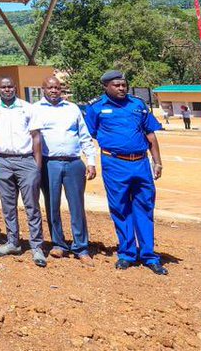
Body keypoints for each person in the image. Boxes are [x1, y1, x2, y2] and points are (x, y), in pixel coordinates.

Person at [85, 70, 167, 275]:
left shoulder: (138, 105)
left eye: (124, 84)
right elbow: (91, 134)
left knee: (145, 208)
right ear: (106, 87)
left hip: (140, 164)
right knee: (120, 209)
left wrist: (157, 162)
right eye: (117, 85)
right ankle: (127, 253)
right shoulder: (96, 108)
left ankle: (149, 255)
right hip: (114, 164)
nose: (122, 88)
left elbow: (151, 135)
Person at [0, 77, 47, 267]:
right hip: (3, 161)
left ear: (15, 88)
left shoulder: (27, 108)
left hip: (26, 161)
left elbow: (36, 137)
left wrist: (37, 166)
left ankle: (37, 247)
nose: (7, 89)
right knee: (8, 205)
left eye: (10, 86)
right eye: (3, 87)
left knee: (32, 206)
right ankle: (13, 242)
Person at [33, 76, 97, 261]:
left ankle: (81, 247)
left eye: (57, 88)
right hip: (49, 163)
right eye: (50, 87)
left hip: (74, 163)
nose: (54, 91)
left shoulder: (72, 108)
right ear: (43, 89)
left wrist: (91, 160)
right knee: (52, 205)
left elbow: (84, 135)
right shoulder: (35, 110)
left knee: (77, 205)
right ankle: (58, 243)